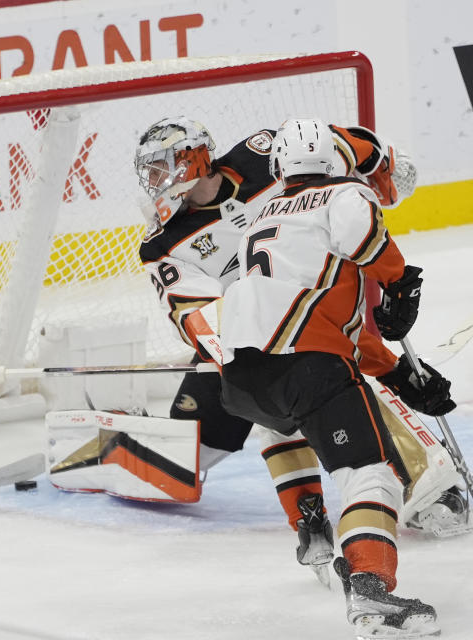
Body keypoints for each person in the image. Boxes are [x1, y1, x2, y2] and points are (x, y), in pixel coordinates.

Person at [131, 116, 463, 570]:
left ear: (195, 157)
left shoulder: (264, 153)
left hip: (303, 312)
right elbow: (204, 321)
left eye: (162, 166)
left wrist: (383, 162)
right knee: (212, 438)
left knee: (288, 390)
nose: (155, 181)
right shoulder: (164, 244)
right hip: (251, 331)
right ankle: (340, 512)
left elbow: (347, 143)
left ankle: (410, 490)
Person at [219, 117, 440, 638]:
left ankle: (308, 521)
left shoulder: (258, 213)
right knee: (371, 471)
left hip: (241, 377)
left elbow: (316, 313)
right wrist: (401, 285)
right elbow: (368, 244)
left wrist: (400, 374)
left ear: (279, 167)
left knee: (288, 424)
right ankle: (370, 590)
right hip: (308, 366)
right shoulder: (343, 193)